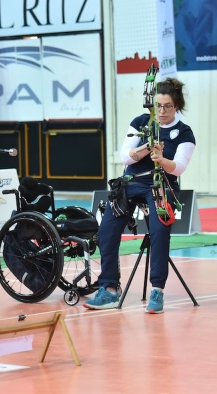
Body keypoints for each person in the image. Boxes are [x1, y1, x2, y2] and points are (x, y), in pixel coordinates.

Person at [84, 78, 196, 314]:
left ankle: (157, 290)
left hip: (160, 185)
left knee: (158, 230)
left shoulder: (184, 133)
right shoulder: (141, 122)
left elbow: (179, 167)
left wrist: (161, 159)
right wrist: (148, 146)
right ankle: (109, 289)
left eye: (167, 106)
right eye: (157, 105)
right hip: (132, 182)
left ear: (176, 107)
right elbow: (125, 157)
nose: (161, 111)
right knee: (106, 229)